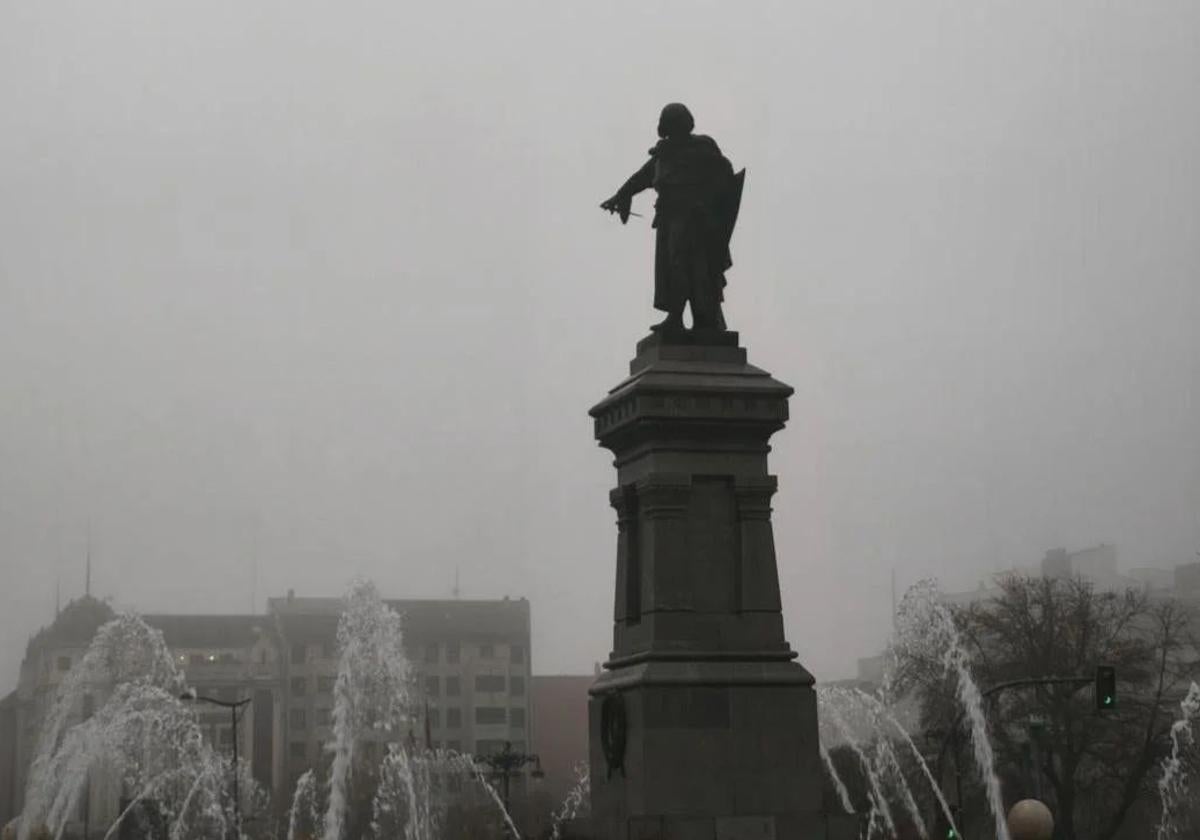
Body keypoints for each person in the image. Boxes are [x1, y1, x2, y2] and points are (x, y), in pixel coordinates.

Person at [601, 103, 740, 334]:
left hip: (696, 221)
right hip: (670, 218)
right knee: (674, 268)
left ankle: (700, 319)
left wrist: (707, 205)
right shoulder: (664, 153)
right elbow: (641, 178)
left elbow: (724, 175)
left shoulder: (703, 147)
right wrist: (619, 196)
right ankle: (676, 318)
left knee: (693, 268)